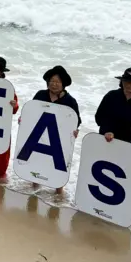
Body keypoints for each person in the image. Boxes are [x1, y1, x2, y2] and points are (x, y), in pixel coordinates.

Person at [31, 65, 81, 194]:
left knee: (59, 164)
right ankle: (34, 186)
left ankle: (59, 192)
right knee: (38, 159)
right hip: (40, 135)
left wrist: (75, 130)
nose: (54, 84)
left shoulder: (70, 101)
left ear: (63, 84)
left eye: (57, 82)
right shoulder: (40, 94)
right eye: (51, 81)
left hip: (59, 137)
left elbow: (77, 120)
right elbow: (31, 111)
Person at [95, 67, 131, 144]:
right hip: (107, 140)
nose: (128, 84)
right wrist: (107, 131)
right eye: (126, 81)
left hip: (130, 145)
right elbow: (99, 117)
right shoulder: (111, 96)